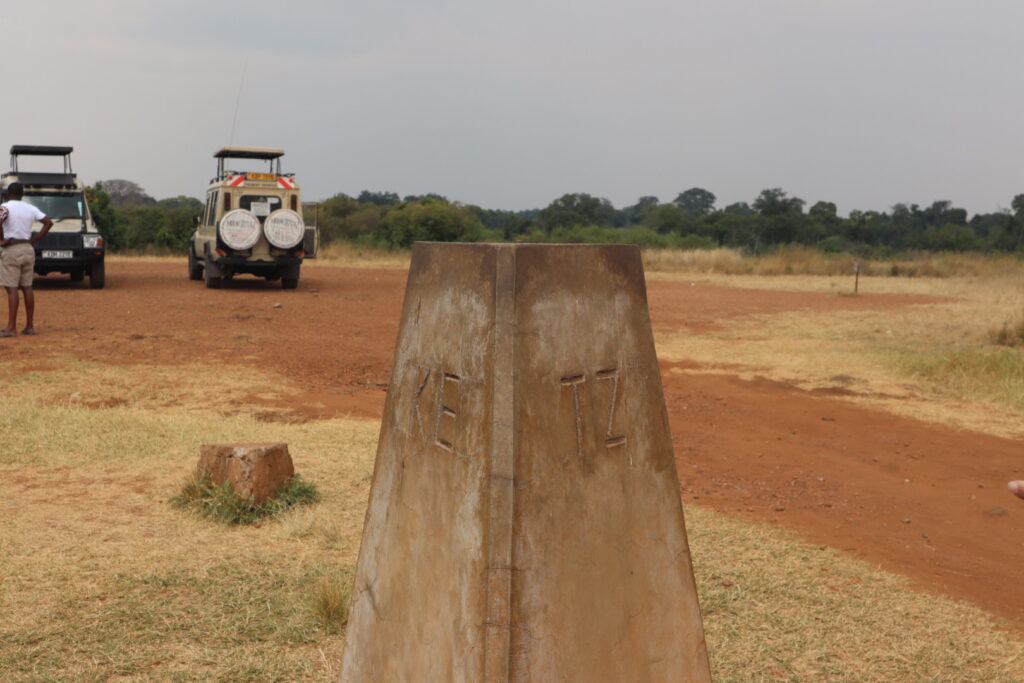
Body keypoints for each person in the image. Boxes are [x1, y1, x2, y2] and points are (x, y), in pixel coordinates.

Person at [0, 182, 53, 337]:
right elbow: (48, 222)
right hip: (27, 249)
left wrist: (2, 239)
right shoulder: (30, 208)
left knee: (11, 288)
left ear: (8, 193)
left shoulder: (5, 207)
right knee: (27, 287)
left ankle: (11, 328)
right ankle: (29, 326)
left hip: (12, 249)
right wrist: (34, 240)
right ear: (22, 194)